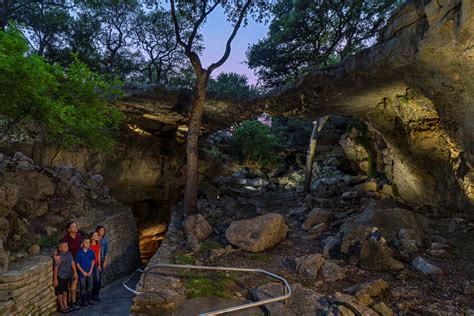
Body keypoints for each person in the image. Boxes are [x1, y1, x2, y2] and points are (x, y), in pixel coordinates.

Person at [54, 222, 82, 310]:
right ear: (69, 229)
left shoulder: (78, 236)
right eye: (73, 226)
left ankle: (73, 301)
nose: (76, 227)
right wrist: (55, 256)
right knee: (65, 288)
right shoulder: (65, 239)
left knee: (74, 282)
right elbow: (57, 248)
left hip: (76, 263)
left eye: (76, 226)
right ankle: (65, 305)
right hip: (67, 266)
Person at [53, 241, 77, 313]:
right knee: (59, 292)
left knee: (65, 291)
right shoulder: (58, 257)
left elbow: (72, 262)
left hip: (67, 276)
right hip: (61, 276)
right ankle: (61, 306)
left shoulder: (69, 253)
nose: (67, 247)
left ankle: (66, 305)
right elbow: (56, 268)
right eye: (64, 246)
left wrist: (75, 272)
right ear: (60, 248)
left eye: (67, 246)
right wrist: (55, 279)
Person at [75, 236, 96, 306]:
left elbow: (93, 261)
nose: (88, 243)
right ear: (83, 243)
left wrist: (90, 271)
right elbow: (77, 263)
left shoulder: (91, 251)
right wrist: (83, 272)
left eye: (89, 242)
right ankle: (84, 302)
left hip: (90, 272)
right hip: (82, 273)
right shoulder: (79, 252)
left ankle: (89, 300)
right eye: (86, 242)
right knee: (83, 287)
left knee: (90, 286)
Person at [96, 225, 109, 301]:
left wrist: (105, 262)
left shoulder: (105, 240)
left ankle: (96, 296)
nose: (102, 232)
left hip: (102, 260)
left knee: (99, 279)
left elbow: (106, 251)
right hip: (94, 261)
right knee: (95, 279)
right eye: (101, 230)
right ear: (97, 231)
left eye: (103, 230)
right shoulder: (95, 238)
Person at [89, 231, 101, 303]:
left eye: (97, 235)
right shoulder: (89, 245)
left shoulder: (98, 244)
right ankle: (91, 297)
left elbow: (99, 255)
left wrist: (99, 265)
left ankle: (95, 296)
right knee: (91, 281)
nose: (97, 236)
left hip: (96, 265)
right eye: (95, 235)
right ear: (91, 237)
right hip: (90, 265)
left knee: (97, 280)